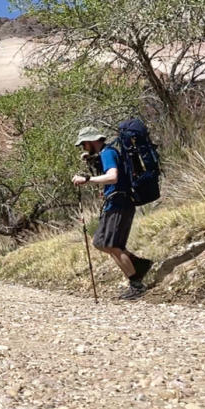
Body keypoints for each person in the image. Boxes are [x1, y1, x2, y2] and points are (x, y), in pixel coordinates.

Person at [71, 127, 153, 299]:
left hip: (119, 204)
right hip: (116, 203)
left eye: (84, 144)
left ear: (91, 141)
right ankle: (139, 264)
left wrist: (87, 179)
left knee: (111, 245)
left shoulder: (108, 153)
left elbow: (113, 176)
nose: (83, 147)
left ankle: (136, 284)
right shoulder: (106, 153)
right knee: (100, 242)